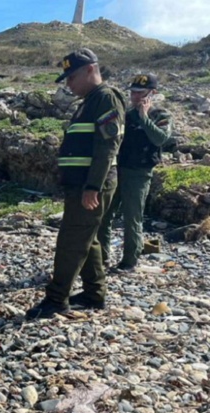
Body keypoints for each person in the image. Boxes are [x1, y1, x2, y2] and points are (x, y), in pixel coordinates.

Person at [26, 49, 126, 319]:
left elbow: (107, 146)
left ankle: (56, 299)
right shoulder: (89, 100)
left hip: (91, 186)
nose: (68, 84)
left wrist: (93, 186)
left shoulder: (105, 98)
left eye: (72, 77)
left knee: (71, 241)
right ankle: (95, 293)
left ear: (90, 70)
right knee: (86, 237)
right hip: (80, 185)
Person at [99, 73, 173, 272]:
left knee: (133, 217)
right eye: (132, 92)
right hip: (117, 169)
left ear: (152, 93)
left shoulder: (161, 115)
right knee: (105, 214)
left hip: (139, 173)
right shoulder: (126, 113)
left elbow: (160, 139)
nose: (135, 96)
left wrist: (144, 117)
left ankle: (129, 261)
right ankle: (101, 257)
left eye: (140, 93)